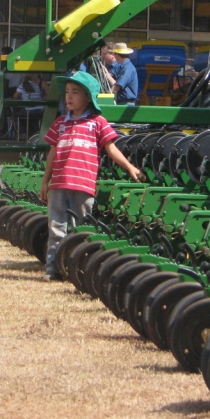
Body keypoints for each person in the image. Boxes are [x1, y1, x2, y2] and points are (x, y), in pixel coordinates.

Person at [39, 71, 142, 280]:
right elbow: (52, 152)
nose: (69, 96)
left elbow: (111, 148)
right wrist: (45, 180)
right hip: (59, 184)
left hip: (83, 185)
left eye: (75, 92)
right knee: (56, 228)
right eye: (67, 92)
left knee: (82, 228)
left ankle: (79, 268)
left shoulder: (98, 122)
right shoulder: (60, 123)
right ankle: (53, 269)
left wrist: (129, 167)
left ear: (88, 97)